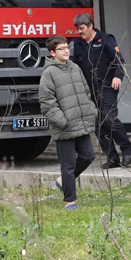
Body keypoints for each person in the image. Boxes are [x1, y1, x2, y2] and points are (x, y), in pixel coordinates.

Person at [38, 35, 97, 211]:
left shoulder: (75, 67)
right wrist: (62, 121)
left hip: (81, 123)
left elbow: (85, 92)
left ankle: (62, 182)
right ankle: (70, 201)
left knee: (88, 156)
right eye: (61, 49)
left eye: (67, 48)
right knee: (68, 165)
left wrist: (90, 110)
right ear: (52, 53)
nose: (66, 51)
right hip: (64, 127)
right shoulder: (48, 73)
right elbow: (47, 103)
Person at [72, 13, 131, 169]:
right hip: (89, 89)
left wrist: (118, 76)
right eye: (77, 29)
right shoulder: (78, 44)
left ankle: (127, 149)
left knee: (109, 118)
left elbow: (119, 60)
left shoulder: (106, 39)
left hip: (107, 85)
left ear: (90, 26)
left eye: (82, 28)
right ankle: (112, 157)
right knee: (98, 124)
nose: (80, 32)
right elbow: (75, 66)